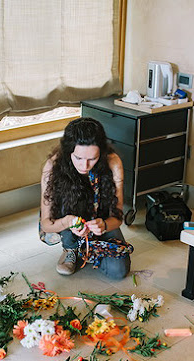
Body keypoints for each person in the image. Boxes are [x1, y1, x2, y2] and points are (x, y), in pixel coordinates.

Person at [40, 117, 131, 280]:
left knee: (118, 271)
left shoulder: (113, 162)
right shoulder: (53, 166)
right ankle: (71, 247)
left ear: (101, 153)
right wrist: (68, 222)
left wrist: (104, 225)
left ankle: (87, 249)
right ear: (69, 151)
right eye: (78, 158)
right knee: (65, 210)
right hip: (66, 219)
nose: (85, 166)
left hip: (100, 219)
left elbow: (117, 218)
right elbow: (46, 224)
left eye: (92, 159)